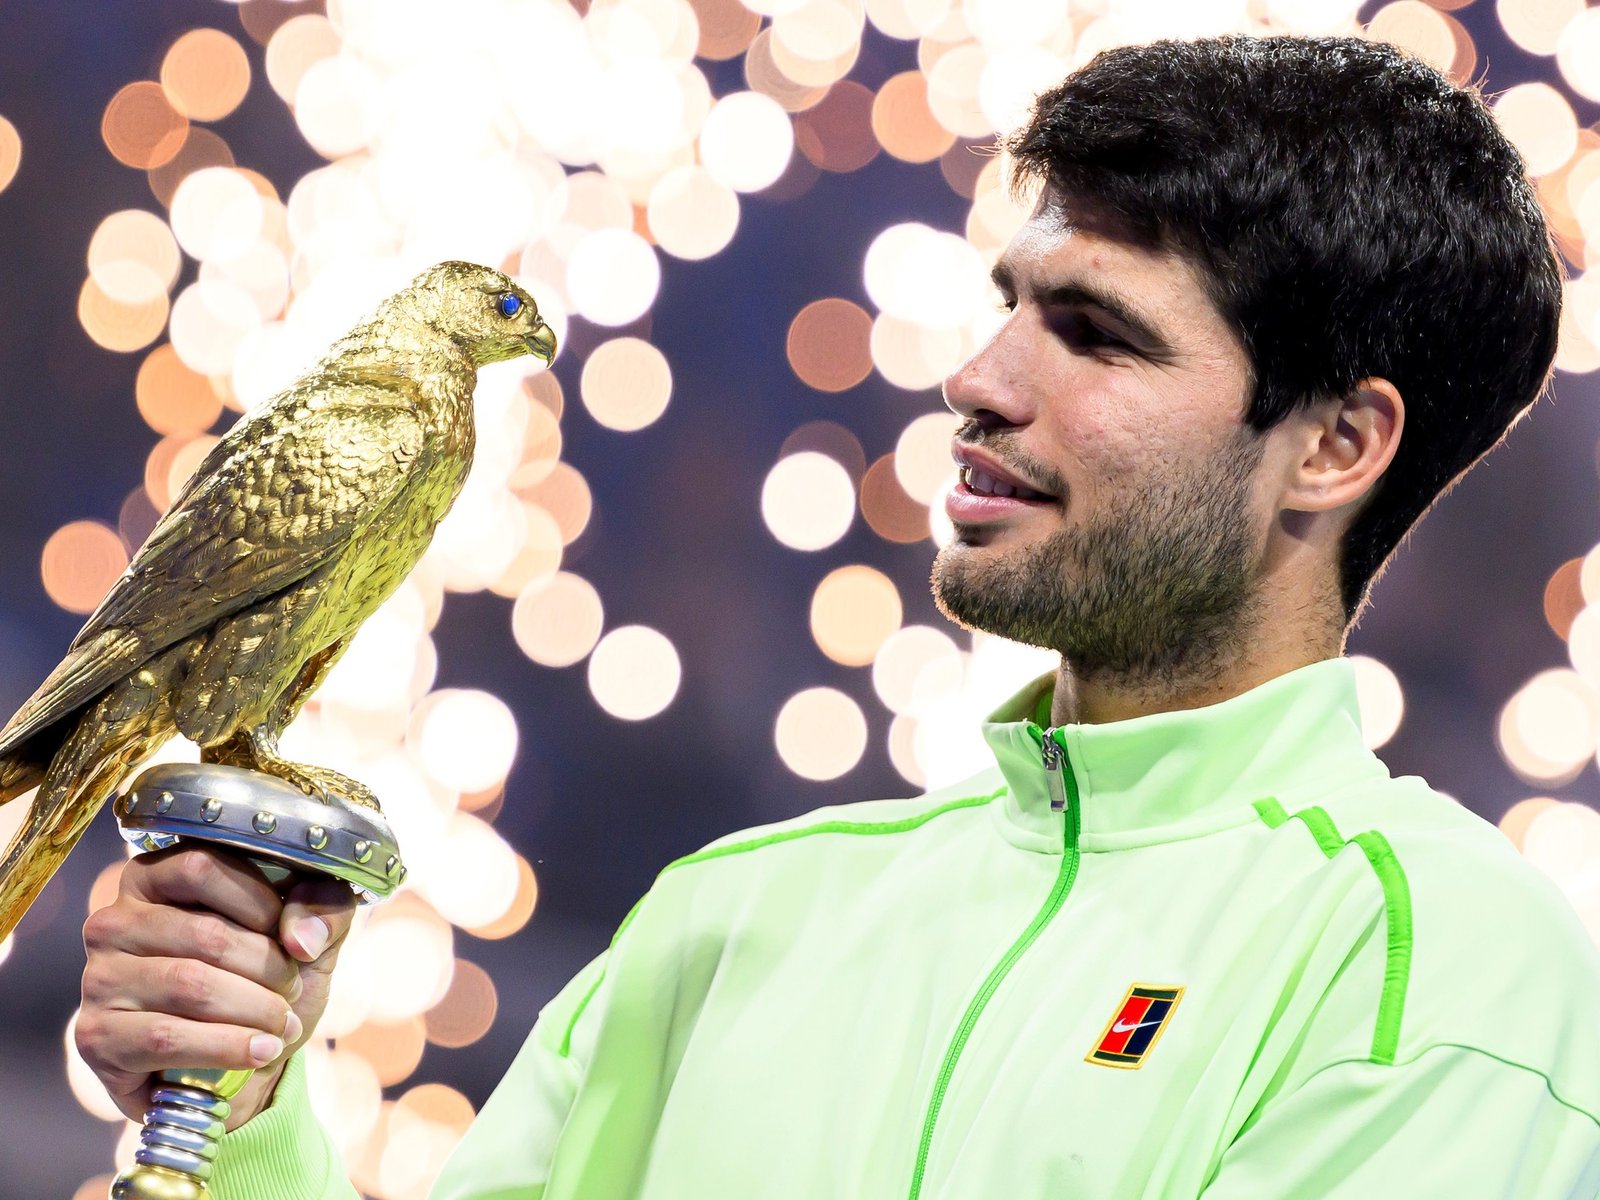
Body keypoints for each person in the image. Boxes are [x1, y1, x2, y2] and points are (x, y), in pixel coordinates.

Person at [75, 33, 1600, 1199]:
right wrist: (244, 1100)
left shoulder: (1445, 968)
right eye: (1012, 302)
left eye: (1096, 335)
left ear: (1336, 446)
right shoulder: (732, 918)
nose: (984, 381)